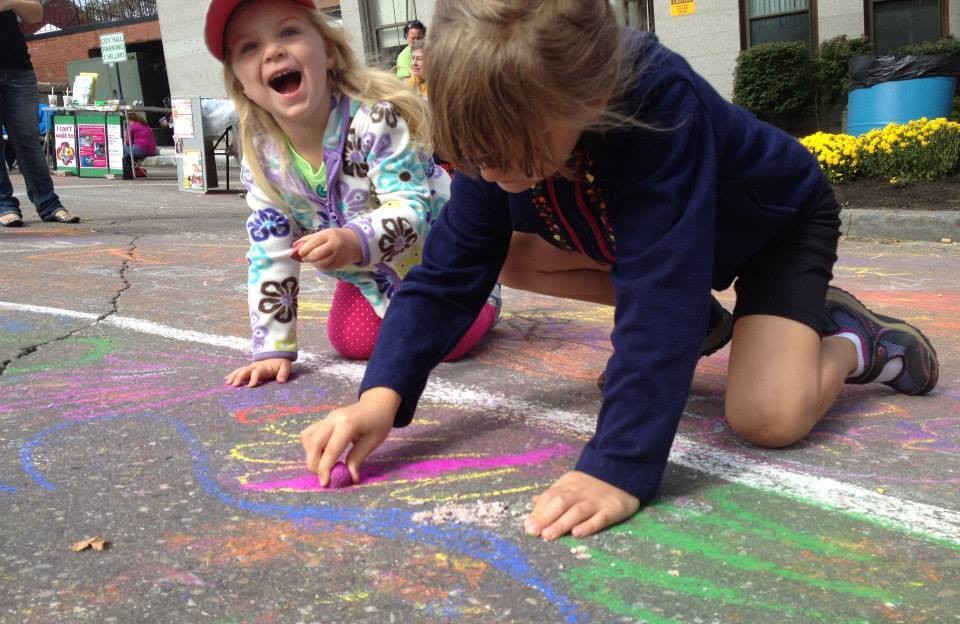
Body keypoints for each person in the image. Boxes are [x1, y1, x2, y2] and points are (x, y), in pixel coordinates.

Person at [300, 0, 939, 540]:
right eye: (472, 155)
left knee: (767, 418)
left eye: (510, 155)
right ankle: (705, 325)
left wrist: (617, 464)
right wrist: (380, 395)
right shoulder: (505, 122)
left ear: (594, 95)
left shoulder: (658, 103)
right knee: (508, 252)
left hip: (773, 230)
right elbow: (447, 273)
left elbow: (660, 290)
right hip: (649, 237)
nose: (489, 173)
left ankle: (853, 340)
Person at [204, 0, 499, 388]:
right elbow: (269, 251)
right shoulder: (264, 158)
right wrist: (273, 348)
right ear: (241, 85)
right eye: (249, 47)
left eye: (288, 32)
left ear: (328, 51)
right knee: (350, 341)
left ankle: (485, 295)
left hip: (439, 255)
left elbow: (411, 209)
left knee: (446, 341)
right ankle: (400, 305)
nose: (272, 51)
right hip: (371, 267)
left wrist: (352, 240)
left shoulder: (375, 118)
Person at [0, 0, 79, 227]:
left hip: (18, 68)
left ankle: (49, 204)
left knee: (28, 140)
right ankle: (4, 205)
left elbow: (36, 13)